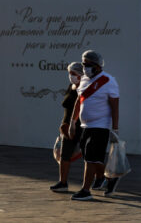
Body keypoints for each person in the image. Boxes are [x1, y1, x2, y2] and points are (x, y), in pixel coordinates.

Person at [69, 50, 120, 200]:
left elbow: (115, 106)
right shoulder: (84, 80)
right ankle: (110, 178)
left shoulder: (108, 81)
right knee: (90, 157)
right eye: (84, 64)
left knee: (90, 158)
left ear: (97, 66)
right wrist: (73, 122)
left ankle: (85, 190)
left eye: (88, 65)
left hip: (101, 126)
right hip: (85, 126)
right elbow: (79, 101)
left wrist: (115, 128)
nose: (85, 67)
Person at [50, 62, 83, 192]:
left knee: (89, 157)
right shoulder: (72, 86)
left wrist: (73, 124)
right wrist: (64, 124)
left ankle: (101, 178)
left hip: (80, 126)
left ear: (80, 75)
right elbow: (68, 109)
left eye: (73, 73)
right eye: (69, 73)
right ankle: (62, 182)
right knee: (65, 154)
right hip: (67, 126)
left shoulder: (85, 88)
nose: (70, 76)